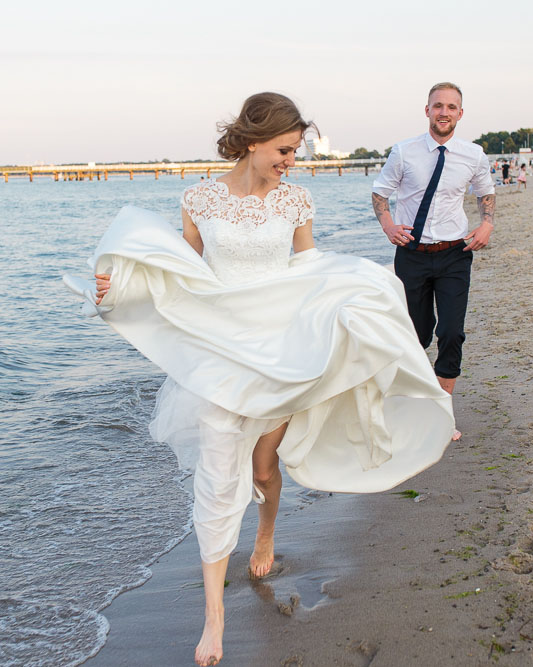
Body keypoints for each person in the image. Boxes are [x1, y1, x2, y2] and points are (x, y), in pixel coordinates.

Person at [77, 92, 454, 666]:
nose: (290, 161)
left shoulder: (296, 200)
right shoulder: (199, 199)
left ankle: (265, 535)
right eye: (284, 149)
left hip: (281, 355)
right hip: (221, 356)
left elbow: (306, 266)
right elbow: (179, 272)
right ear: (253, 141)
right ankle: (214, 616)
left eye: (296, 151)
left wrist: (353, 293)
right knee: (218, 476)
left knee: (263, 468)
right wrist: (118, 288)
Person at [371, 81, 495, 442]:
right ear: (427, 110)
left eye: (451, 107)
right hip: (411, 255)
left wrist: (487, 224)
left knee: (452, 332)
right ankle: (407, 407)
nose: (444, 112)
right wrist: (388, 225)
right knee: (416, 335)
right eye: (438, 105)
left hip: (455, 254)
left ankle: (442, 413)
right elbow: (380, 192)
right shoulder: (404, 152)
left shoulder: (473, 154)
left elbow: (485, 192)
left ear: (460, 113)